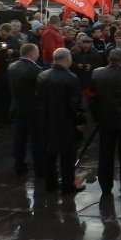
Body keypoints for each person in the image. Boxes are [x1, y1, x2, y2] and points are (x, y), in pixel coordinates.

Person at [90, 48, 121, 195]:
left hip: (105, 118)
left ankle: (105, 186)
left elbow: (92, 97)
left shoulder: (97, 73)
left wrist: (96, 116)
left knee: (105, 154)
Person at [38, 47, 87, 194]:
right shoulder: (70, 78)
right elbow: (76, 104)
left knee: (50, 154)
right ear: (66, 59)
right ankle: (68, 185)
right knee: (67, 157)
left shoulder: (42, 76)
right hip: (66, 123)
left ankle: (51, 184)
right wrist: (80, 123)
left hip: (47, 120)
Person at [8, 42, 44, 177]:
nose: (39, 54)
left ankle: (19, 165)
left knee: (19, 139)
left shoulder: (12, 66)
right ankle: (40, 168)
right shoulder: (36, 70)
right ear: (32, 54)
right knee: (37, 140)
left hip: (17, 107)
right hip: (33, 110)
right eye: (37, 52)